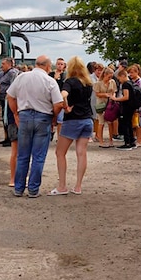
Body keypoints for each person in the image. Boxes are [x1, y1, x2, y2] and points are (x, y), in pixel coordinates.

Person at [7, 55, 63, 198]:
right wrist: (54, 118)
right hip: (43, 117)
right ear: (48, 66)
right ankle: (33, 189)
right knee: (38, 156)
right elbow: (58, 104)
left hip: (24, 116)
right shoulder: (50, 81)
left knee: (22, 155)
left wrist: (15, 113)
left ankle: (19, 188)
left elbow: (10, 96)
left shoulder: (21, 77)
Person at [49, 56, 94, 196]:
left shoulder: (70, 82)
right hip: (87, 120)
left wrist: (65, 106)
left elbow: (63, 94)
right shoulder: (88, 83)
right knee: (82, 153)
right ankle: (78, 186)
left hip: (73, 120)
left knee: (60, 153)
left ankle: (62, 186)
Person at [0, 57, 19, 147]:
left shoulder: (12, 73)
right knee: (4, 119)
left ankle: (11, 138)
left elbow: (13, 85)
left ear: (9, 64)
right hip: (2, 98)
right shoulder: (1, 74)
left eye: (3, 64)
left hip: (8, 99)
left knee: (10, 118)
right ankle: (6, 137)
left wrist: (9, 96)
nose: (1, 66)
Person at [111, 68, 137, 150]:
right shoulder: (131, 83)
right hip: (132, 106)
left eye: (119, 78)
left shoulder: (126, 84)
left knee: (125, 124)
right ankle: (132, 141)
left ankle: (127, 142)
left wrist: (116, 99)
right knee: (129, 124)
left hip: (127, 107)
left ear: (123, 76)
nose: (119, 80)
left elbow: (126, 97)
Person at [93, 67, 117, 148]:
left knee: (110, 122)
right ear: (104, 75)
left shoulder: (112, 82)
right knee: (101, 122)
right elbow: (97, 94)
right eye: (109, 77)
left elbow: (114, 92)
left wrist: (113, 97)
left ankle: (111, 140)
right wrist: (105, 95)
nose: (110, 78)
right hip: (101, 104)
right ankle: (101, 141)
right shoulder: (98, 83)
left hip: (110, 104)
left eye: (111, 77)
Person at [49, 57, 67, 138]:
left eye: (61, 64)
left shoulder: (65, 75)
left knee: (60, 120)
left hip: (61, 99)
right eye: (58, 64)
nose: (60, 66)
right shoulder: (51, 75)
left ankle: (59, 137)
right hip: (51, 99)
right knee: (51, 117)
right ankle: (50, 133)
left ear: (64, 65)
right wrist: (55, 79)